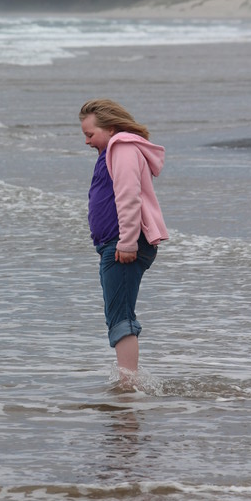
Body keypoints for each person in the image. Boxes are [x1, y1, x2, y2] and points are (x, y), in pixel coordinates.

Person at [79, 99, 168, 385]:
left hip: (125, 243)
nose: (87, 141)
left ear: (111, 127)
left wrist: (128, 242)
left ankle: (128, 388)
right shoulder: (112, 149)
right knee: (117, 314)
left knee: (120, 317)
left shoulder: (123, 147)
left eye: (90, 134)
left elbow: (130, 197)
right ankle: (128, 384)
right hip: (115, 243)